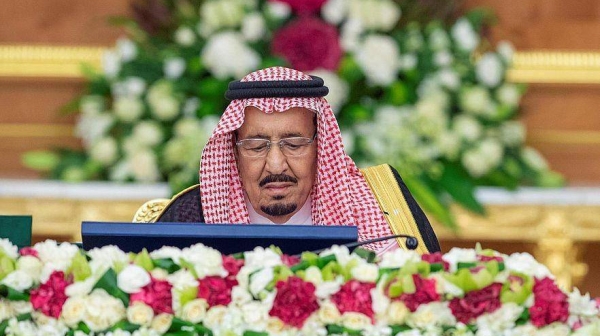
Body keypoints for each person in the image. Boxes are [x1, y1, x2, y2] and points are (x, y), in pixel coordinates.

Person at [155, 67, 440, 254]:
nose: (276, 165)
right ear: (233, 151)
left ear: (321, 147)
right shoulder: (190, 217)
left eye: (294, 144)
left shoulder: (382, 208)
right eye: (256, 146)